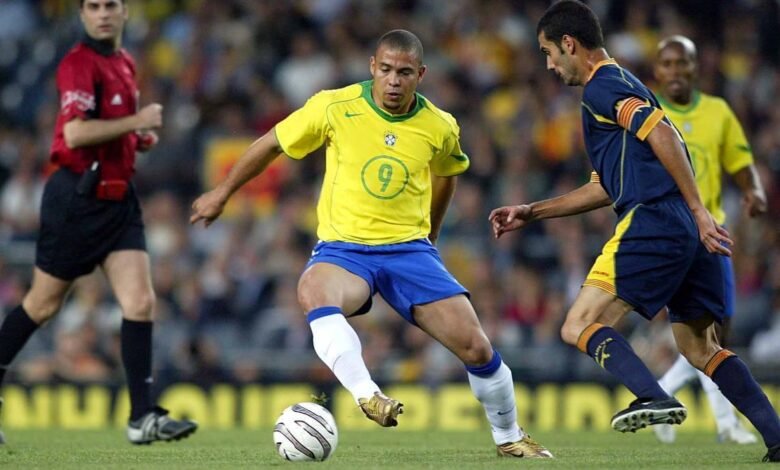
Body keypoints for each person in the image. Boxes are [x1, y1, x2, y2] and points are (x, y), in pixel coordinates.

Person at [191, 29, 552, 459]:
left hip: (409, 250)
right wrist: (222, 192)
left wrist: (431, 235)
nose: (393, 81)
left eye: (403, 72)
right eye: (385, 70)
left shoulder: (439, 125)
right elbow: (271, 144)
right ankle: (367, 394)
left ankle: (508, 436)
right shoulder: (333, 107)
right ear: (372, 68)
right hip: (344, 250)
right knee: (312, 291)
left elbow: (448, 173)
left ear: (421, 74)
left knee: (476, 346)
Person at [489, 1, 780, 463]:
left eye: (548, 52)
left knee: (578, 323)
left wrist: (700, 210)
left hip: (655, 220)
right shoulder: (622, 87)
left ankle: (653, 395)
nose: (548, 64)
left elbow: (662, 133)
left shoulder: (603, 85)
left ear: (570, 44)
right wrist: (532, 211)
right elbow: (604, 187)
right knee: (701, 347)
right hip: (682, 226)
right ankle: (777, 435)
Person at [0, 0, 197, 445]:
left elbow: (109, 129)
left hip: (118, 196)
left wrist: (135, 138)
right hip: (76, 198)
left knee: (141, 302)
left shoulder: (124, 62)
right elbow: (74, 133)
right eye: (94, 6)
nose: (103, 13)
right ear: (83, 14)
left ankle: (142, 417)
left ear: (125, 12)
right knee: (43, 305)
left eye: (111, 5)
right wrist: (138, 120)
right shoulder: (78, 63)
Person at [651, 35, 766, 445]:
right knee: (707, 338)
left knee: (717, 338)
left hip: (712, 234)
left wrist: (754, 190)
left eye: (683, 63)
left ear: (696, 67)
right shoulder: (648, 112)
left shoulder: (717, 112)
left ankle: (663, 397)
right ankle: (725, 423)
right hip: (669, 237)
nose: (676, 71)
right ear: (657, 70)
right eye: (667, 64)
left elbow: (741, 161)